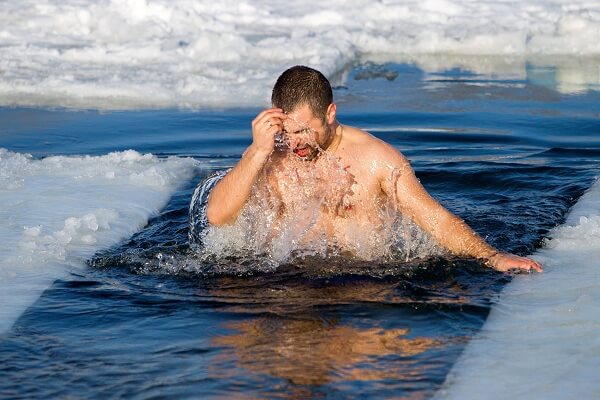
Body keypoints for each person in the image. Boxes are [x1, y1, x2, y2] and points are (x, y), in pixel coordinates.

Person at [206, 65, 542, 273]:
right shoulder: (269, 154)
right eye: (288, 131)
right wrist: (256, 151)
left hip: (363, 281)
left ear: (330, 113)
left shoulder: (378, 159)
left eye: (305, 130)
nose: (296, 142)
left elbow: (433, 218)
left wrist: (491, 257)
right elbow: (218, 216)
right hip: (281, 279)